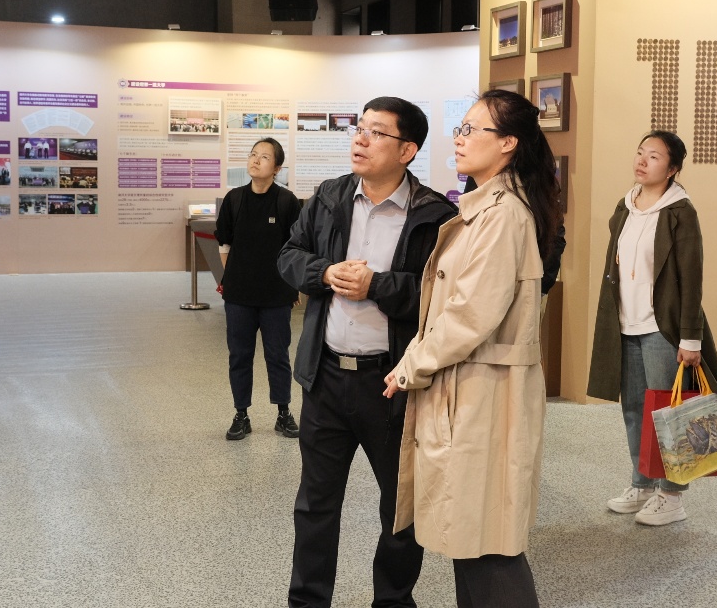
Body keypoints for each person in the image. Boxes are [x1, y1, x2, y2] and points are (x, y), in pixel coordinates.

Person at [383, 89, 561, 607]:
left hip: (485, 393)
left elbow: (470, 315)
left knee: (488, 542)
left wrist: (411, 364)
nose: (459, 139)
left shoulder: (502, 215)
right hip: (473, 388)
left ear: (508, 143)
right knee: (475, 535)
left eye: (471, 130)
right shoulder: (488, 207)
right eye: (459, 129)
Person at [278, 96, 457, 608]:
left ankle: (393, 601)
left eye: (377, 132)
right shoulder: (330, 196)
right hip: (326, 376)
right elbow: (289, 255)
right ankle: (307, 601)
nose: (360, 139)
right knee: (315, 505)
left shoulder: (435, 216)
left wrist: (377, 285)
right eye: (360, 128)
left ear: (407, 150)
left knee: (400, 508)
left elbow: (442, 297)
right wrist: (324, 273)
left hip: (392, 384)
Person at [586, 130, 717, 527]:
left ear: (673, 168)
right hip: (625, 324)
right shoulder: (625, 206)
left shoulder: (680, 211)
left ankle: (672, 494)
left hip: (663, 329)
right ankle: (642, 483)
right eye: (640, 152)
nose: (642, 161)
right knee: (634, 409)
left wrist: (691, 338)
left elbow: (691, 280)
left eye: (655, 156)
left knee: (668, 412)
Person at [214, 138, 302, 441]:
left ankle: (283, 412)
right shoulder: (235, 199)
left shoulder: (287, 201)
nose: (256, 160)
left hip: (276, 295)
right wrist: (231, 278)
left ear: (277, 167)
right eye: (253, 154)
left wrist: (294, 287)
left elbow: (296, 248)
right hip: (239, 295)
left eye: (264, 157)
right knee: (239, 355)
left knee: (278, 355)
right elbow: (224, 243)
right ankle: (241, 414)